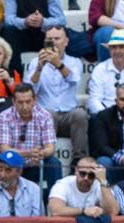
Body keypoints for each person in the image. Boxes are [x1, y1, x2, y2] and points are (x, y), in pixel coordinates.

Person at [27, 25, 88, 162]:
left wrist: (58, 64)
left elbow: (74, 80)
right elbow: (30, 90)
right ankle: (49, 160)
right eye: (50, 39)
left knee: (80, 114)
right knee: (49, 114)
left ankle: (79, 161)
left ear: (65, 41)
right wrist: (39, 68)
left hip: (69, 115)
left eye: (57, 38)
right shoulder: (35, 62)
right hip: (46, 116)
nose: (53, 42)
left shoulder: (74, 61)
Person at [0, 82, 60, 188]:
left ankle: (55, 199)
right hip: (11, 164)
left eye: (28, 102)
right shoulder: (4, 116)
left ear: (34, 100)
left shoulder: (45, 116)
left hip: (35, 164)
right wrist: (29, 153)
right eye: (20, 102)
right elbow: (4, 149)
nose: (25, 107)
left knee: (53, 163)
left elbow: (50, 147)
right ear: (13, 102)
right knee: (0, 160)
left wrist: (40, 153)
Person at [86, 29, 124, 115]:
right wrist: (108, 118)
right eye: (114, 47)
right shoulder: (100, 69)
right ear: (110, 50)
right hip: (105, 117)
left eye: (121, 47)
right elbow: (94, 100)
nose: (117, 51)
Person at [2, 0, 70, 74]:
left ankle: (58, 70)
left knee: (58, 32)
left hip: (44, 36)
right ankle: (15, 74)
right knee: (10, 30)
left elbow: (61, 20)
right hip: (23, 37)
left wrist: (43, 22)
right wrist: (24, 22)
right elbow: (8, 19)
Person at [48, 155, 120, 216]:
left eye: (91, 175)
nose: (86, 178)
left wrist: (103, 181)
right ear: (76, 171)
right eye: (82, 173)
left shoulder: (100, 184)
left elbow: (113, 211)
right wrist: (84, 211)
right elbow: (55, 210)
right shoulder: (63, 184)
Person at [0, 149, 43, 217]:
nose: (2, 175)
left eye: (8, 170)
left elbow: (38, 220)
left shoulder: (34, 190)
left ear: (19, 171)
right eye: (0, 169)